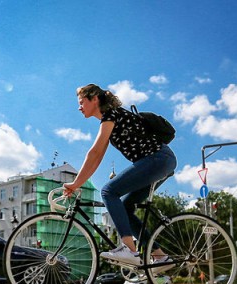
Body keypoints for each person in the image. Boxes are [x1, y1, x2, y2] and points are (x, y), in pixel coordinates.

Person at [63, 83, 177, 266]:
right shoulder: (111, 118)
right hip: (160, 161)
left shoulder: (111, 115)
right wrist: (79, 182)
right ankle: (159, 255)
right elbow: (98, 157)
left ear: (95, 99)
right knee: (125, 207)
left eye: (82, 102)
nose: (79, 107)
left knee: (108, 191)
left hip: (158, 159)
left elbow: (94, 153)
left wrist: (76, 183)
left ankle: (129, 250)